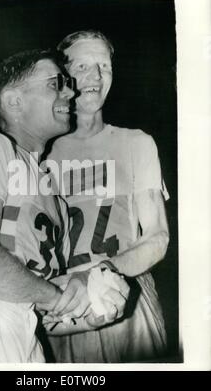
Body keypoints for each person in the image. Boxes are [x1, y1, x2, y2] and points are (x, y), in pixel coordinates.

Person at [0, 29, 168, 363]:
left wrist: (91, 303)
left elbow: (36, 291)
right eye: (64, 78)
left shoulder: (53, 193)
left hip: (31, 329)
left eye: (104, 65)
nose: (79, 85)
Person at [44, 30, 170, 362]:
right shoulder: (36, 153)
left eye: (104, 65)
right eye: (83, 65)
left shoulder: (136, 143)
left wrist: (101, 274)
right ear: (61, 75)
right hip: (60, 307)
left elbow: (158, 236)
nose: (96, 76)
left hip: (126, 303)